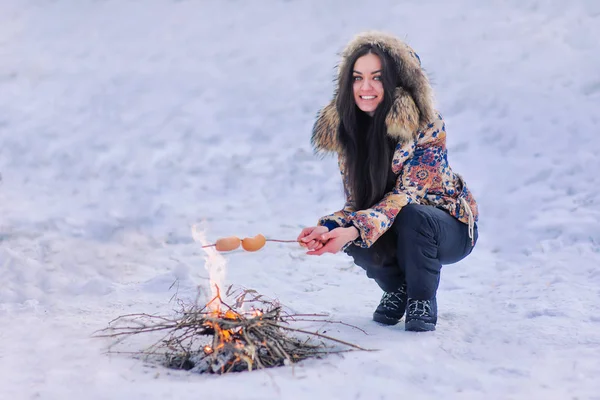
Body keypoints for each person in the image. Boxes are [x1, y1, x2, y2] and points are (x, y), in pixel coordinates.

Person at [297, 31, 479, 332]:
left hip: (448, 228)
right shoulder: (350, 132)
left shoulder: (427, 125)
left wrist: (355, 226)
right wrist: (330, 227)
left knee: (411, 215)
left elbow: (407, 195)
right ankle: (397, 288)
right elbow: (358, 204)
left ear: (397, 81)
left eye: (377, 77)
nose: (365, 87)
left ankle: (421, 297)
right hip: (392, 223)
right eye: (357, 78)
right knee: (352, 228)